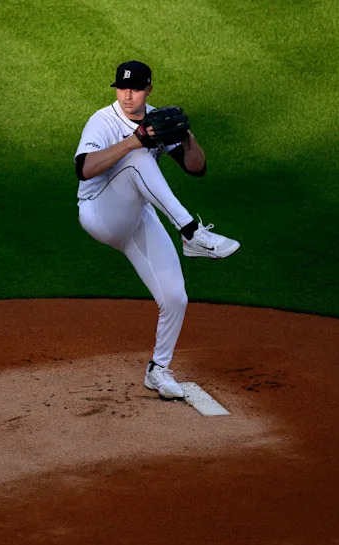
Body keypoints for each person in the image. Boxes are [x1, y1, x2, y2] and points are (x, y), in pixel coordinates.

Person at [74, 60, 240, 400]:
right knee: (138, 159)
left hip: (137, 216)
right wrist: (134, 140)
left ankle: (159, 371)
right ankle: (192, 233)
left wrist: (187, 135)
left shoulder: (158, 120)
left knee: (175, 296)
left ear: (148, 89)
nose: (128, 96)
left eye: (135, 89)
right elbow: (84, 169)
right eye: (122, 88)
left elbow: (197, 168)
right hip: (99, 212)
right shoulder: (102, 120)